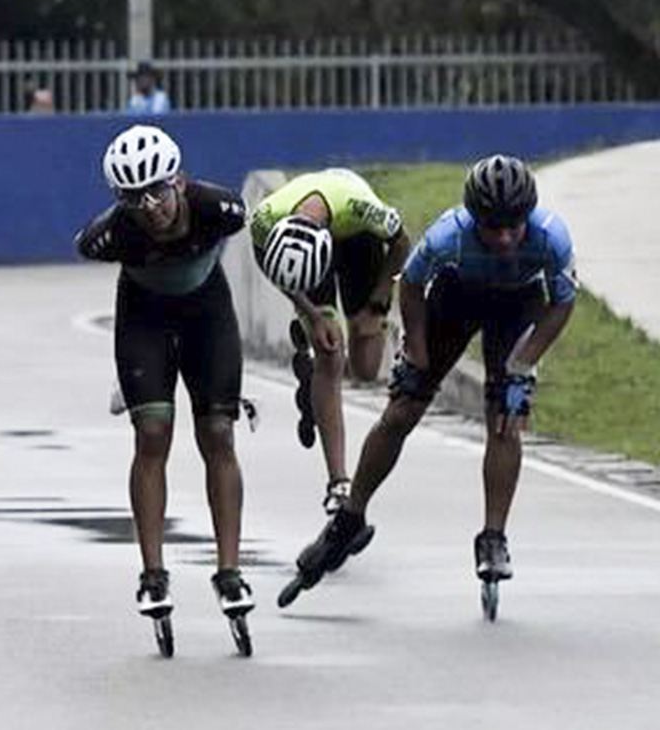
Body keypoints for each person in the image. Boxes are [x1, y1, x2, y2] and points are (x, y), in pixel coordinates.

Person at [290, 155, 576, 597]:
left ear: (528, 217)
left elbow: (561, 304)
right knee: (403, 409)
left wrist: (524, 364)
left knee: (505, 414)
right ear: (474, 218)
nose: (502, 238)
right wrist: (418, 353)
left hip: (517, 307)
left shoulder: (552, 237)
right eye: (491, 228)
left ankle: (494, 537)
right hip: (455, 299)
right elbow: (410, 286)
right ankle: (350, 515)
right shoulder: (449, 234)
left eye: (512, 228)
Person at [75, 124, 255, 630]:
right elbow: (85, 243)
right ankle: (153, 574)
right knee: (152, 435)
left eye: (158, 190)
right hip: (144, 316)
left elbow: (256, 236)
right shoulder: (110, 235)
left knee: (218, 432)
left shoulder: (219, 209)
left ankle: (229, 570)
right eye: (134, 198)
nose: (150, 206)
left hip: (207, 311)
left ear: (180, 181)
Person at [250, 168, 410, 514]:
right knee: (331, 354)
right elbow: (272, 265)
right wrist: (310, 312)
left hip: (358, 241)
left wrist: (381, 298)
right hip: (306, 257)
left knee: (367, 370)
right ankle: (338, 482)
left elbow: (402, 244)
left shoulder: (365, 209)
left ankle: (315, 384)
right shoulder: (264, 219)